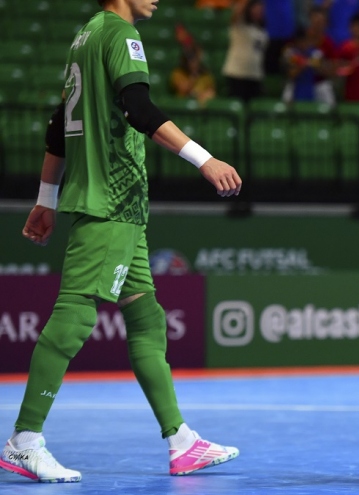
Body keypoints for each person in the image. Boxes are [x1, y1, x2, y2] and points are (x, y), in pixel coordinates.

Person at [1, 0, 242, 483]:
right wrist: (205, 158)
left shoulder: (85, 36)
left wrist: (46, 199)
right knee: (74, 318)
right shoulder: (120, 36)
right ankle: (24, 441)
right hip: (108, 200)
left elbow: (57, 126)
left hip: (123, 208)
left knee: (147, 317)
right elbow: (139, 108)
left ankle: (181, 442)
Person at [221, 0, 268, 103]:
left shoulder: (262, 29)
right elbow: (235, 15)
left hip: (255, 74)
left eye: (261, 8)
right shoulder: (240, 25)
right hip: (238, 73)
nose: (258, 11)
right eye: (255, 8)